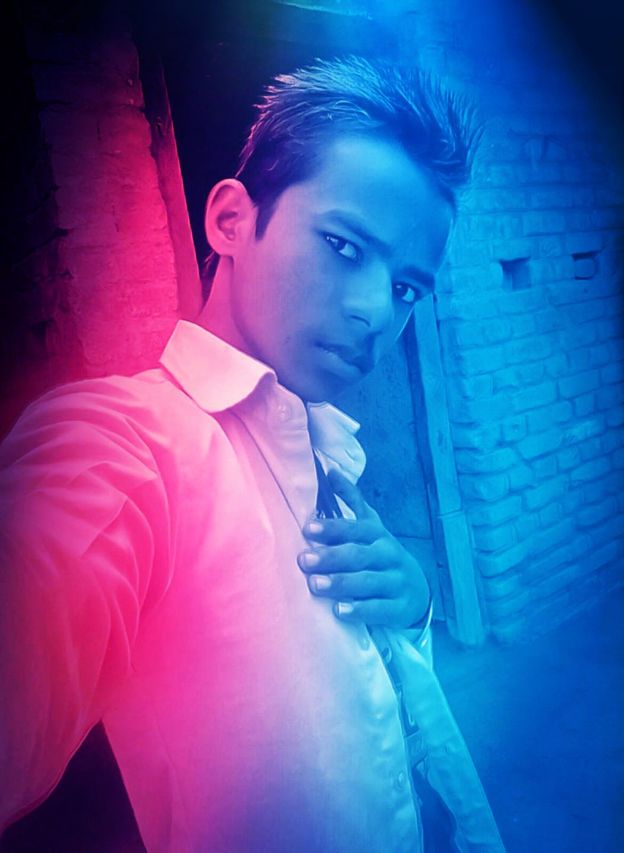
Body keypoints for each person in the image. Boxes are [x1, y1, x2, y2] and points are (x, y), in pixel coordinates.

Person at [0, 56, 504, 851]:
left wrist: (414, 606)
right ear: (230, 220)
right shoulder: (127, 445)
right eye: (343, 245)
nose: (377, 311)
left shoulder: (327, 448)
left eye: (407, 287)